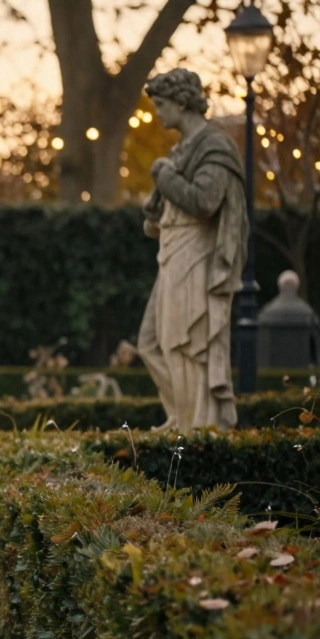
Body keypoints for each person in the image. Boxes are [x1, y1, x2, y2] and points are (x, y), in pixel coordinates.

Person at [137, 68, 247, 432]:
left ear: (182, 103)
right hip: (173, 250)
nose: (158, 113)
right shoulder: (182, 148)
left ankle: (198, 425)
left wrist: (164, 175)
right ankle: (181, 416)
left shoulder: (214, 145)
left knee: (185, 341)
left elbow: (205, 201)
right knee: (152, 342)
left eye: (161, 104)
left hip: (196, 252)